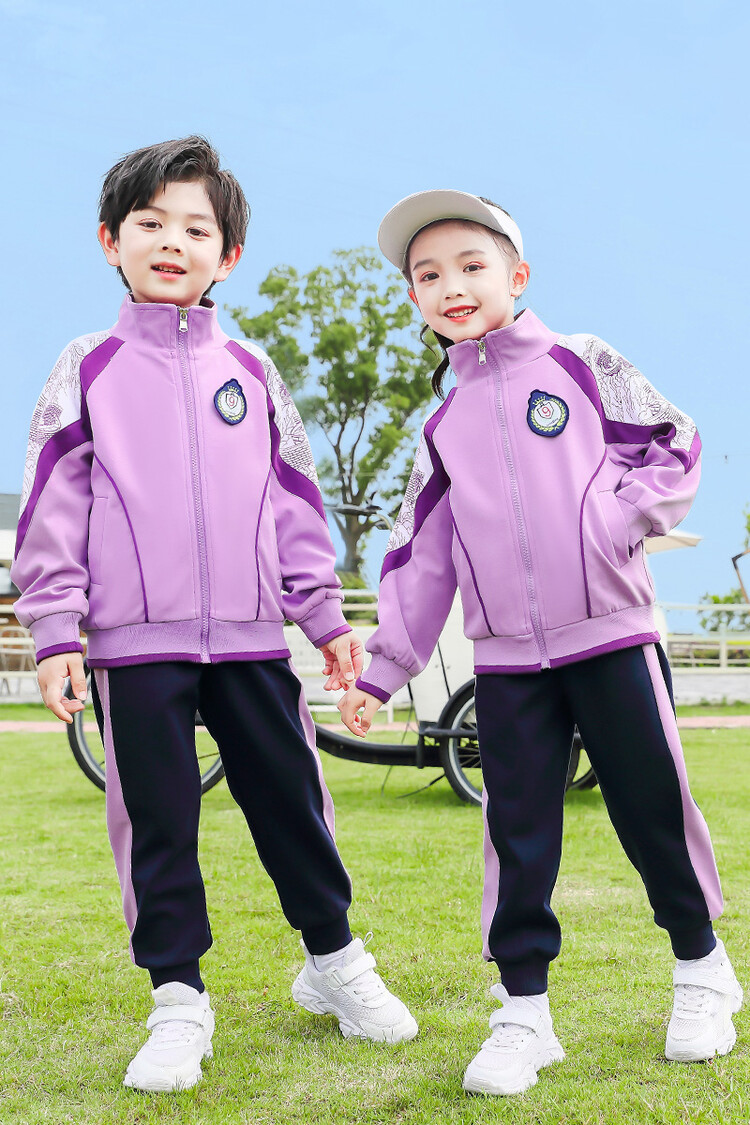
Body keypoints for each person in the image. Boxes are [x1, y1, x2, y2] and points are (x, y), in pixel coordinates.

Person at [11, 137, 417, 1094]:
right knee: (157, 820)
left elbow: (295, 506)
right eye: (150, 223)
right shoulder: (87, 367)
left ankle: (334, 961)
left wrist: (324, 618)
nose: (172, 242)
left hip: (250, 639)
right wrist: (56, 630)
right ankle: (178, 998)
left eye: (196, 229)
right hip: (134, 645)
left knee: (293, 801)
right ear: (110, 240)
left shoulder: (253, 369)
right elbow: (52, 509)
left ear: (227, 255)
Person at [337, 190, 742, 1096]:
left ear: (516, 275)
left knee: (652, 808)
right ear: (415, 297)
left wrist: (615, 518)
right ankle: (524, 1010)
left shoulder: (581, 361)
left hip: (612, 640)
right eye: (428, 275)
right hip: (509, 663)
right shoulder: (441, 428)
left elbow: (674, 441)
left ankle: (702, 967)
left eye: (471, 265)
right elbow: (419, 558)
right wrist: (383, 669)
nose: (451, 286)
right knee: (516, 835)